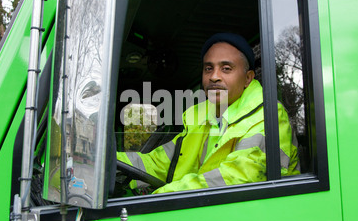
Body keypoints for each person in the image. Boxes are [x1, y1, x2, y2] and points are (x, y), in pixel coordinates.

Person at [117, 33, 300, 194]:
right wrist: (107, 162)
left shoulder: (268, 115)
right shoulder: (200, 118)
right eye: (208, 68)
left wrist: (164, 195)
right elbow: (158, 163)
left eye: (226, 69)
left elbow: (239, 177)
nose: (214, 76)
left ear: (247, 78)